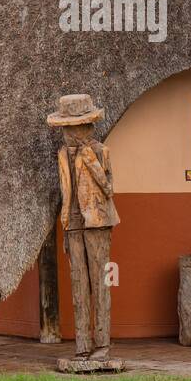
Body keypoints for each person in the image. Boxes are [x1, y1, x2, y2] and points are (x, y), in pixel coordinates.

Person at [47, 93, 119, 362]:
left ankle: (102, 344)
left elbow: (109, 187)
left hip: (98, 222)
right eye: (65, 127)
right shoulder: (62, 155)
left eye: (72, 127)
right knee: (78, 282)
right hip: (73, 223)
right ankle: (82, 345)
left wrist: (88, 158)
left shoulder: (100, 152)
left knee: (100, 283)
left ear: (86, 127)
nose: (68, 133)